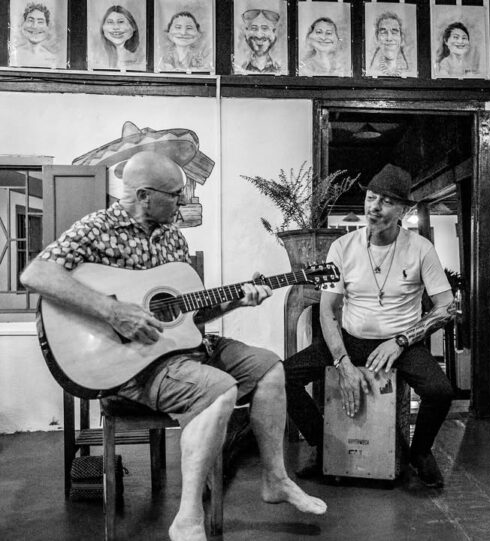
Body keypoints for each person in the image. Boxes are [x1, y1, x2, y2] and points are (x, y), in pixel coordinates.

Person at [20, 151, 326, 541]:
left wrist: (238, 300)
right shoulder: (97, 228)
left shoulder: (173, 238)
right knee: (220, 390)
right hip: (137, 362)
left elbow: (188, 317)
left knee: (269, 366)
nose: (184, 201)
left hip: (183, 348)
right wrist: (113, 311)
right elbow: (36, 274)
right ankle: (187, 515)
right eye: (176, 194)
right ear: (144, 196)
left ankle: (275, 479)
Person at [283, 164, 456, 488]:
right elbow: (327, 310)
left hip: (401, 343)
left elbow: (447, 307)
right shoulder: (343, 247)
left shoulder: (421, 248)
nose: (375, 207)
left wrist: (402, 341)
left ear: (403, 210)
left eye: (387, 201)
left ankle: (420, 452)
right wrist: (342, 362)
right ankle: (322, 445)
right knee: (281, 377)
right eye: (371, 197)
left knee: (440, 391)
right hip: (350, 339)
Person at [11, 3, 58, 68]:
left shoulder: (52, 58)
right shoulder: (13, 56)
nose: (35, 26)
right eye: (30, 20)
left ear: (47, 26)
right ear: (23, 23)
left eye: (40, 22)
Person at [368, 11, 409, 77]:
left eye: (394, 32)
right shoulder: (371, 70)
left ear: (401, 37)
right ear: (377, 38)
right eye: (383, 32)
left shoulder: (409, 71)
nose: (389, 38)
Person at [99, 5, 142, 70]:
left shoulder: (141, 57)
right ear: (103, 27)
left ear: (133, 27)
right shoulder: (98, 56)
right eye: (110, 22)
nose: (116, 27)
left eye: (121, 22)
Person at [241, 7, 282, 74]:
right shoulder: (241, 68)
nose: (259, 35)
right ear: (246, 32)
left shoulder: (280, 69)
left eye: (265, 28)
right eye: (254, 28)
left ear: (274, 32)